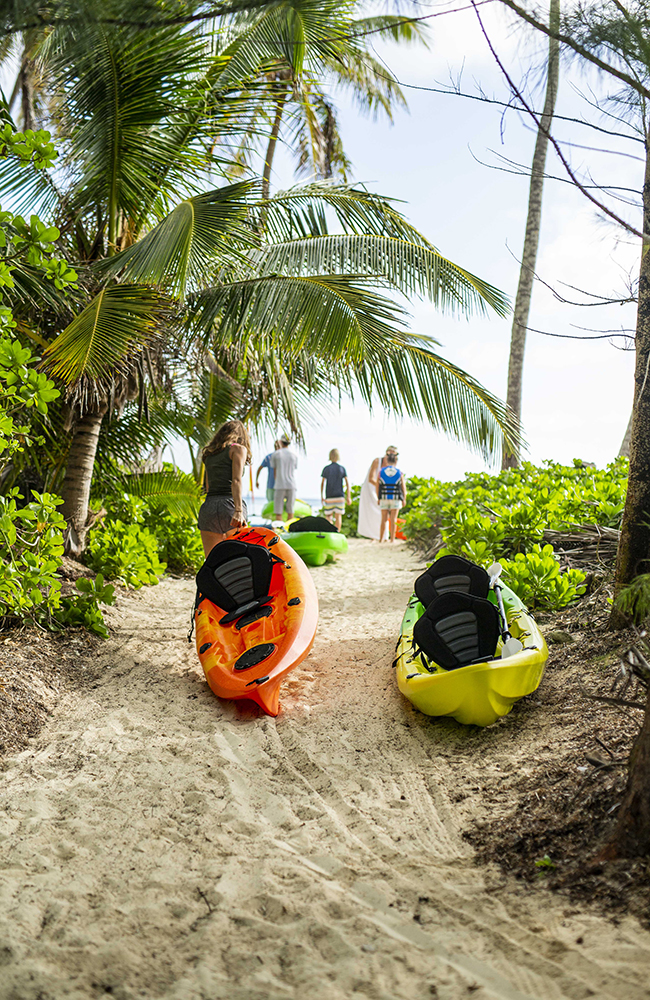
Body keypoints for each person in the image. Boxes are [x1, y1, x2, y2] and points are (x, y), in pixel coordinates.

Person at [197, 420, 251, 557]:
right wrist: (238, 510)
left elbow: (208, 487)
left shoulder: (209, 454)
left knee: (212, 561)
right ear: (241, 435)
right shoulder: (238, 449)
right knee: (240, 558)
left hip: (209, 508)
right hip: (229, 506)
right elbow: (236, 480)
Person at [376, 446, 406, 543]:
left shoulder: (381, 472)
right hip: (395, 498)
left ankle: (381, 539)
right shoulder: (399, 472)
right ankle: (392, 539)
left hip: (384, 497)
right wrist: (404, 498)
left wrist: (378, 497)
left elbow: (377, 486)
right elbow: (403, 487)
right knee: (393, 519)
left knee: (383, 519)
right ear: (396, 461)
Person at [357, 452, 389, 539]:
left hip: (381, 490)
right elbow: (371, 478)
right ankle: (373, 536)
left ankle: (383, 536)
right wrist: (382, 486)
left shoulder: (391, 465)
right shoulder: (377, 461)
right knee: (372, 512)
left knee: (382, 512)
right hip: (370, 489)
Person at [320, 449, 351, 531]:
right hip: (340, 496)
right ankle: (337, 533)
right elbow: (347, 483)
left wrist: (322, 496)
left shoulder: (326, 468)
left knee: (328, 516)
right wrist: (348, 496)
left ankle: (330, 533)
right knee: (338, 516)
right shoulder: (342, 468)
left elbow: (322, 483)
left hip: (329, 496)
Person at [270, 434, 298, 520]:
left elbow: (274, 471)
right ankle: (289, 531)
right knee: (290, 511)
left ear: (281, 442)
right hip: (291, 485)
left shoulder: (276, 454)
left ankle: (279, 529)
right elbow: (294, 469)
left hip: (279, 485)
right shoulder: (294, 455)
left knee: (278, 512)